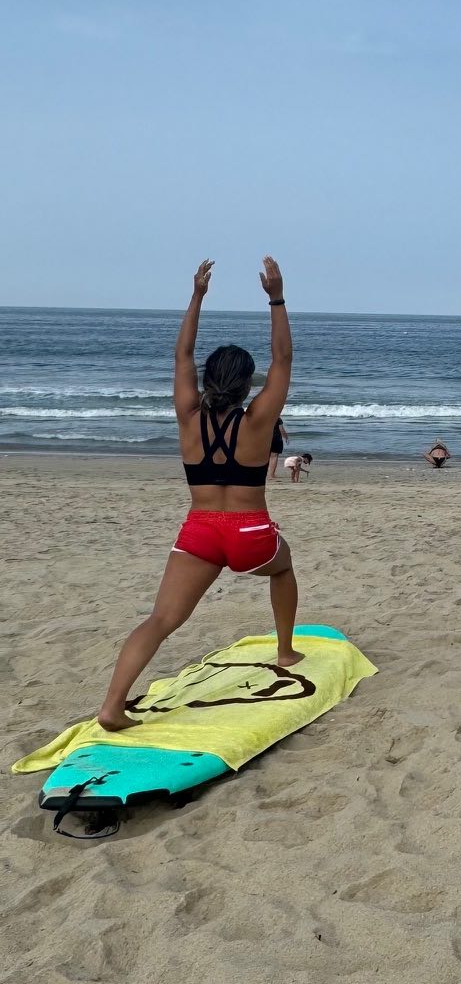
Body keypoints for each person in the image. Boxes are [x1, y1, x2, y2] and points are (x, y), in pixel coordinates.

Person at [94, 258, 301, 730]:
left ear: (208, 381)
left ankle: (111, 706)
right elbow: (283, 360)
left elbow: (181, 357)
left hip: (200, 532)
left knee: (161, 620)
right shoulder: (257, 420)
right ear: (248, 383)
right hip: (250, 535)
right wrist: (276, 297)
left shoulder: (189, 418)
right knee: (283, 567)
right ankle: (285, 650)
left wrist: (197, 297)